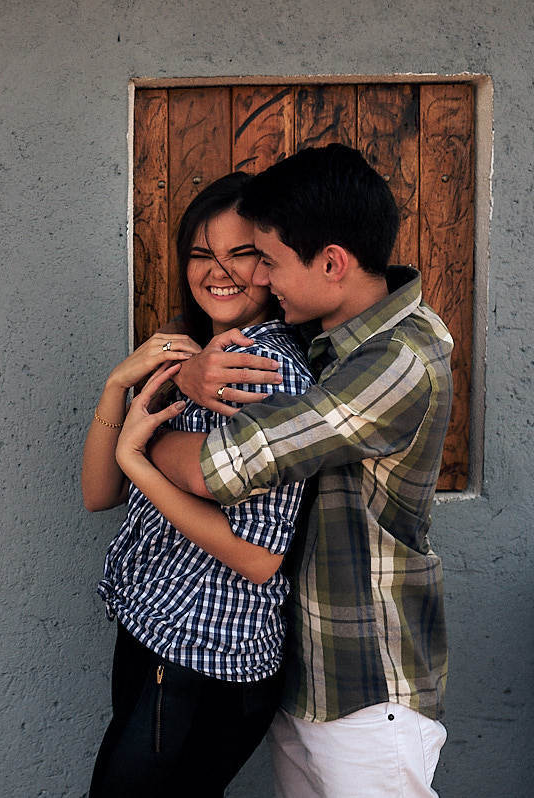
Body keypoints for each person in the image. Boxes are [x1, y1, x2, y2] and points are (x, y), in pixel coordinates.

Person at [149, 144, 453, 797]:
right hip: (308, 675)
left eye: (270, 261)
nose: (259, 279)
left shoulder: (399, 360)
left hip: (369, 692)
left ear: (333, 263)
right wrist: (192, 373)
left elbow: (220, 469)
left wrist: (143, 435)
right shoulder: (330, 338)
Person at [82, 172, 314, 797]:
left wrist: (138, 459)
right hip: (156, 635)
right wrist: (117, 385)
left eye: (243, 254)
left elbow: (259, 559)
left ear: (273, 263)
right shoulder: (191, 360)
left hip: (203, 653)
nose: (220, 271)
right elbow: (99, 495)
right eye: (201, 254)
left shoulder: (263, 373)